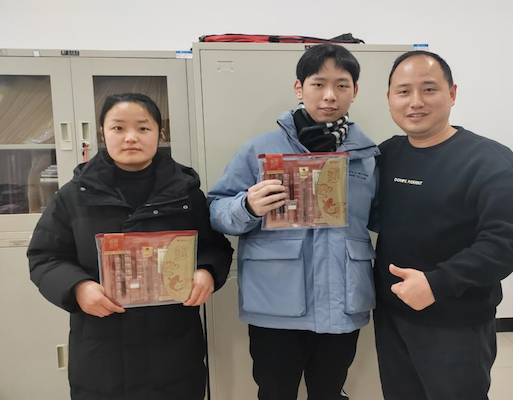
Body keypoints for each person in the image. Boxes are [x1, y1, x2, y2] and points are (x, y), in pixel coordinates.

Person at [27, 93, 233, 400]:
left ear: (160, 134)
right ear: (103, 133)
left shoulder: (186, 193)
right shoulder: (74, 195)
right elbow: (45, 256)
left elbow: (214, 247)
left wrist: (206, 271)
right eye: (119, 128)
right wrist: (78, 287)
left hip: (172, 348)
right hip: (102, 348)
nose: (131, 137)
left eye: (143, 128)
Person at [208, 44, 378, 400]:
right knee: (275, 392)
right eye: (318, 84)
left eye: (342, 85)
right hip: (276, 304)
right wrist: (248, 206)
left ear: (355, 91)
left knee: (329, 392)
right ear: (299, 88)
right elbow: (216, 210)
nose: (330, 95)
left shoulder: (368, 156)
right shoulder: (259, 149)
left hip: (342, 302)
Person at [370, 51, 513, 400]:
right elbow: (369, 214)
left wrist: (436, 283)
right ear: (389, 98)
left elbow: (504, 243)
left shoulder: (489, 161)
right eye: (403, 91)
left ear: (452, 93)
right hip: (392, 316)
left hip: (455, 321)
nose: (415, 102)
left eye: (429, 89)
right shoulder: (386, 155)